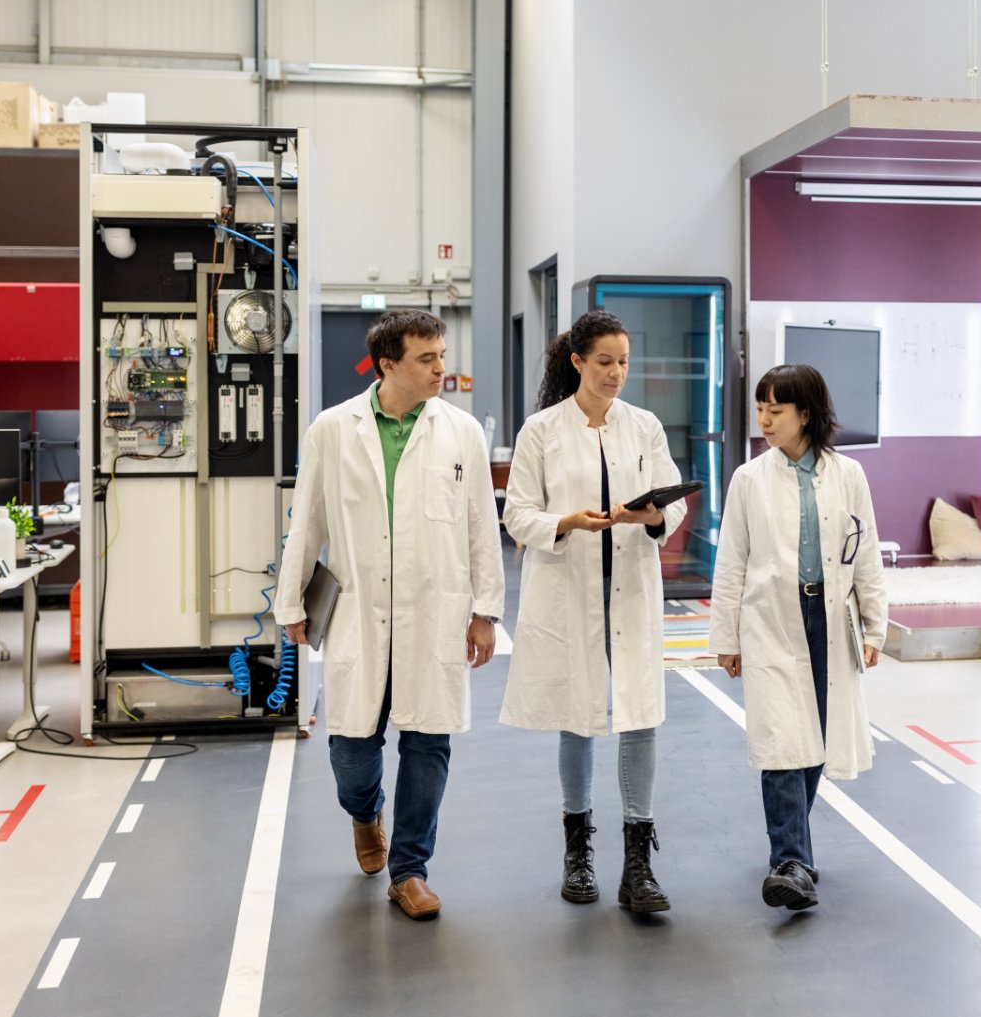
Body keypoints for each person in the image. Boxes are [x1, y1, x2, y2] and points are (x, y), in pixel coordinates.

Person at [275, 309, 503, 921]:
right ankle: (364, 811)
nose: (441, 368)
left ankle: (411, 870)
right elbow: (309, 521)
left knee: (429, 742)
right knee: (352, 747)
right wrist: (290, 600)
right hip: (359, 611)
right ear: (388, 365)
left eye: (441, 355)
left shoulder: (461, 433)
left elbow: (482, 526)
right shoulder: (333, 429)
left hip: (436, 610)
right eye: (427, 358)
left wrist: (486, 610)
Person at [500, 309, 692, 914]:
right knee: (578, 713)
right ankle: (577, 854)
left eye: (624, 363)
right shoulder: (542, 431)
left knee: (639, 711)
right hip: (569, 585)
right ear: (577, 361)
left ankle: (639, 863)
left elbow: (673, 505)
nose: (616, 374)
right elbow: (517, 515)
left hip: (630, 586)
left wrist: (654, 514)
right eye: (604, 362)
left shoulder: (645, 427)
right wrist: (566, 522)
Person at [709, 363, 887, 913]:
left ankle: (795, 853)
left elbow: (867, 554)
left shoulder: (847, 475)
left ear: (805, 414)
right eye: (760, 407)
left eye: (775, 410)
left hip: (830, 620)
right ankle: (789, 860)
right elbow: (732, 560)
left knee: (816, 737)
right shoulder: (748, 479)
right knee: (782, 739)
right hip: (770, 620)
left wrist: (876, 624)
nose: (763, 419)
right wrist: (727, 634)